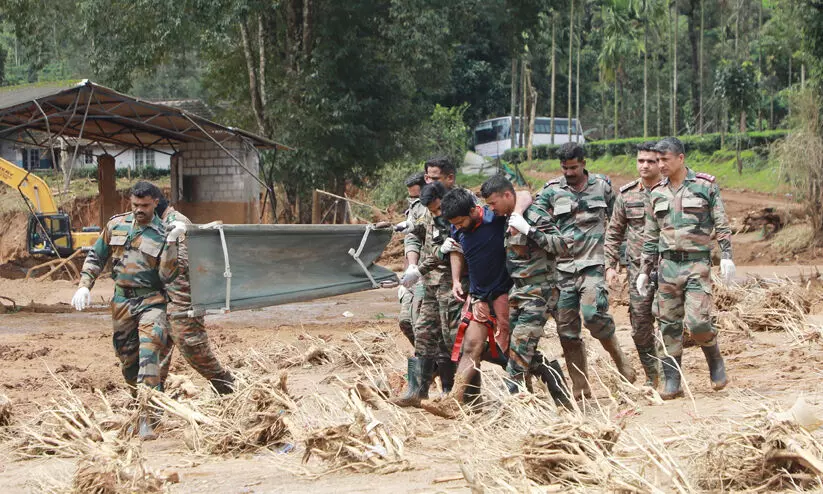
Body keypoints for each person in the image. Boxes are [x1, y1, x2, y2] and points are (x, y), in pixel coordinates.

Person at [70, 181, 178, 439]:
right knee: (128, 361)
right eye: (135, 204)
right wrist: (84, 285)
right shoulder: (116, 225)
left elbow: (169, 276)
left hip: (152, 301)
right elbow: (96, 256)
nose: (139, 209)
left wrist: (173, 245)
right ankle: (146, 402)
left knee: (149, 354)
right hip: (121, 303)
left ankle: (147, 418)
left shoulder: (164, 233)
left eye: (145, 205)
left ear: (155, 203)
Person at [535, 142, 636, 400]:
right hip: (562, 270)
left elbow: (618, 223)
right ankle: (580, 386)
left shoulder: (602, 186)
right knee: (567, 330)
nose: (569, 172)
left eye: (574, 167)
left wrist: (619, 260)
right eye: (564, 168)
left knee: (593, 315)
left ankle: (619, 358)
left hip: (594, 264)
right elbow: (534, 218)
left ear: (583, 163)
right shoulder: (551, 191)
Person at [637, 137, 734, 400]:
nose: (660, 165)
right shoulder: (656, 192)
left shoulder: (705, 186)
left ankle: (714, 359)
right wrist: (645, 270)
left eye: (665, 160)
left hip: (696, 264)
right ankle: (672, 380)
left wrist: (727, 255)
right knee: (668, 324)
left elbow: (721, 223)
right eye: (658, 160)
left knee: (698, 321)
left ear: (680, 158)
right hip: (667, 266)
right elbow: (651, 235)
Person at [480, 175, 572, 408]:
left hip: (540, 292)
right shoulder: (507, 217)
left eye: (493, 203)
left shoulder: (534, 216)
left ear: (507, 196)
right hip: (518, 293)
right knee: (514, 347)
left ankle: (511, 399)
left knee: (521, 345)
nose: (491, 209)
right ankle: (560, 396)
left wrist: (530, 230)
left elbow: (563, 245)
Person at [421, 187, 513, 418]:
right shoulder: (457, 225)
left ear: (473, 210)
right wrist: (455, 280)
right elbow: (456, 249)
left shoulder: (496, 218)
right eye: (455, 224)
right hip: (479, 296)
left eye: (461, 222)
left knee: (514, 350)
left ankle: (533, 389)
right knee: (471, 347)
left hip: (504, 294)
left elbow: (522, 196)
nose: (459, 227)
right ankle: (455, 400)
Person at [147, 185, 235, 395]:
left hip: (182, 302)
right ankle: (153, 398)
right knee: (156, 352)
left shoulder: (176, 223)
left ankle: (226, 386)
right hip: (162, 300)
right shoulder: (157, 224)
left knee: (194, 349)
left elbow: (182, 266)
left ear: (155, 205)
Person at [392, 180, 463, 407]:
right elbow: (425, 230)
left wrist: (418, 271)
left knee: (450, 339)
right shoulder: (432, 215)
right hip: (432, 285)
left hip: (451, 285)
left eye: (438, 208)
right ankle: (417, 391)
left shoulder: (457, 215)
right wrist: (409, 227)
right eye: (432, 211)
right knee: (423, 333)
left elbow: (442, 253)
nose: (437, 213)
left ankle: (454, 392)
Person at [604, 142, 663, 387]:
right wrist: (610, 265)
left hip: (669, 266)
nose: (645, 166)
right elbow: (614, 232)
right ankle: (652, 374)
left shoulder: (672, 190)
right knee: (640, 325)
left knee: (670, 321)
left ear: (660, 163)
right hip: (639, 270)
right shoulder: (627, 195)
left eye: (650, 161)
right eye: (641, 161)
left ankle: (670, 375)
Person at [396, 171, 428, 345]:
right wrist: (409, 269)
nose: (415, 201)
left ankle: (427, 358)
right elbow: (410, 240)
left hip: (431, 273)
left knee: (421, 324)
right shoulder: (415, 208)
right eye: (412, 197)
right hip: (415, 272)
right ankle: (423, 356)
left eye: (417, 197)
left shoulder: (442, 206)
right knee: (405, 321)